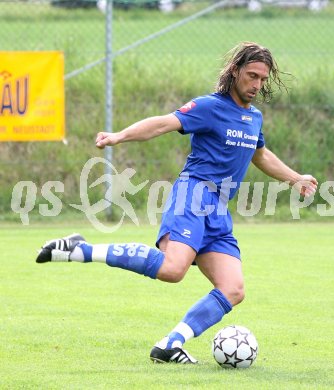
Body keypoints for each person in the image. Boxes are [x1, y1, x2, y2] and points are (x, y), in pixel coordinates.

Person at [36, 42, 318, 364]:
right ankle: (80, 250)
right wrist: (118, 137)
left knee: (233, 288)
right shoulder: (209, 107)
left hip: (218, 211)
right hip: (194, 194)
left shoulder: (253, 118)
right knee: (172, 269)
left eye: (262, 79)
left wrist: (295, 178)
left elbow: (260, 154)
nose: (256, 85)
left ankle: (171, 343)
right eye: (251, 76)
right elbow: (162, 123)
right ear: (236, 70)